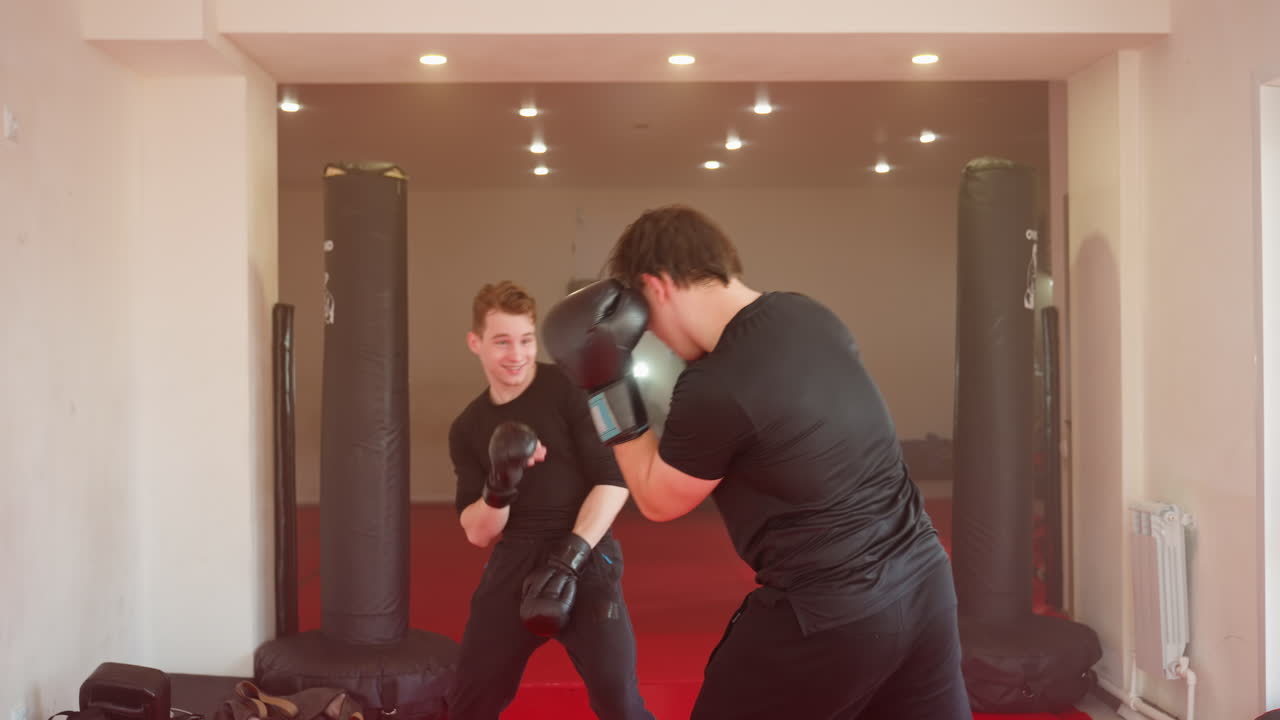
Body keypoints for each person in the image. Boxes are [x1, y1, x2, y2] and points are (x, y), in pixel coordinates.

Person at [541, 205, 969, 720]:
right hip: (927, 586)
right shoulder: (809, 313)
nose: (650, 334)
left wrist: (603, 385)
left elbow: (656, 500)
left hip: (830, 614)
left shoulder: (717, 385)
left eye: (645, 321)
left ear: (657, 287)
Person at [446, 281, 655, 720]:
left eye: (525, 340)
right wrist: (502, 479)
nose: (517, 355)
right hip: (515, 559)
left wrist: (570, 558)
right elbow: (478, 533)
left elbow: (613, 481)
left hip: (586, 554)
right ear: (475, 343)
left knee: (619, 701)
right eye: (501, 342)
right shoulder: (468, 426)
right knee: (469, 701)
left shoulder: (567, 388)